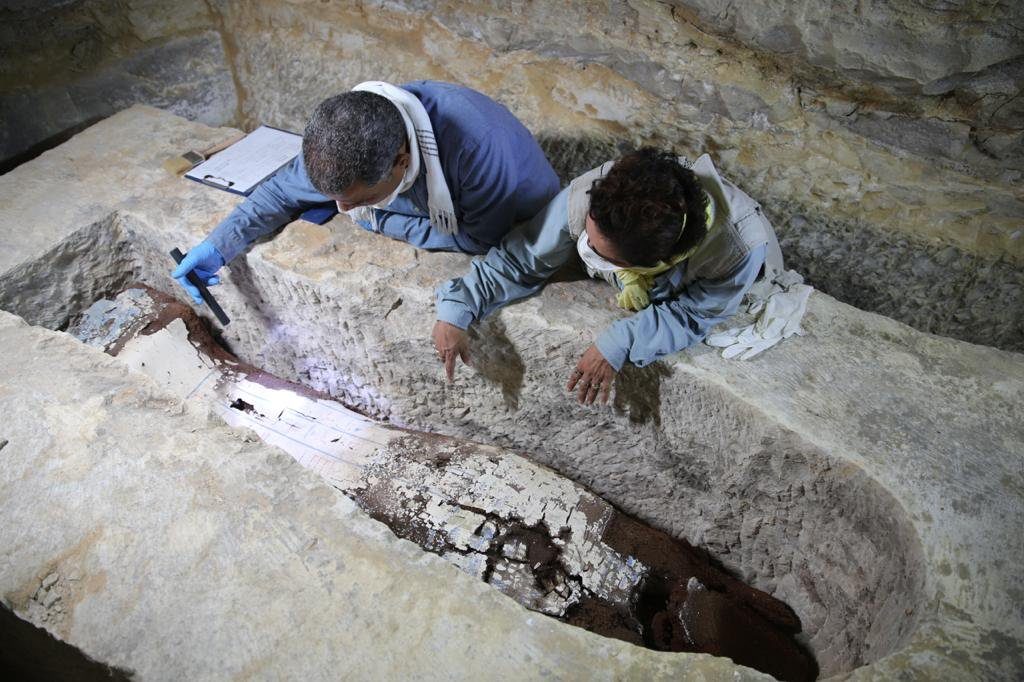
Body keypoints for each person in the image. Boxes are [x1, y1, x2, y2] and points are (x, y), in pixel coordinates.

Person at [432, 147, 784, 404]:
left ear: (651, 264)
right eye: (587, 236)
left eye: (603, 255)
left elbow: (695, 313)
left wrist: (621, 341)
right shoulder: (605, 190)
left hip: (720, 267)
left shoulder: (737, 250)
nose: (585, 247)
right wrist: (459, 305)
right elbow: (521, 258)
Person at [172, 80, 560, 304]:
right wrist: (218, 245)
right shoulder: (344, 139)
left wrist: (379, 220)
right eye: (336, 197)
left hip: (518, 211)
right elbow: (280, 194)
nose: (342, 210)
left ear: (401, 160)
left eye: (356, 199)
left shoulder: (476, 150)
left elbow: (479, 236)